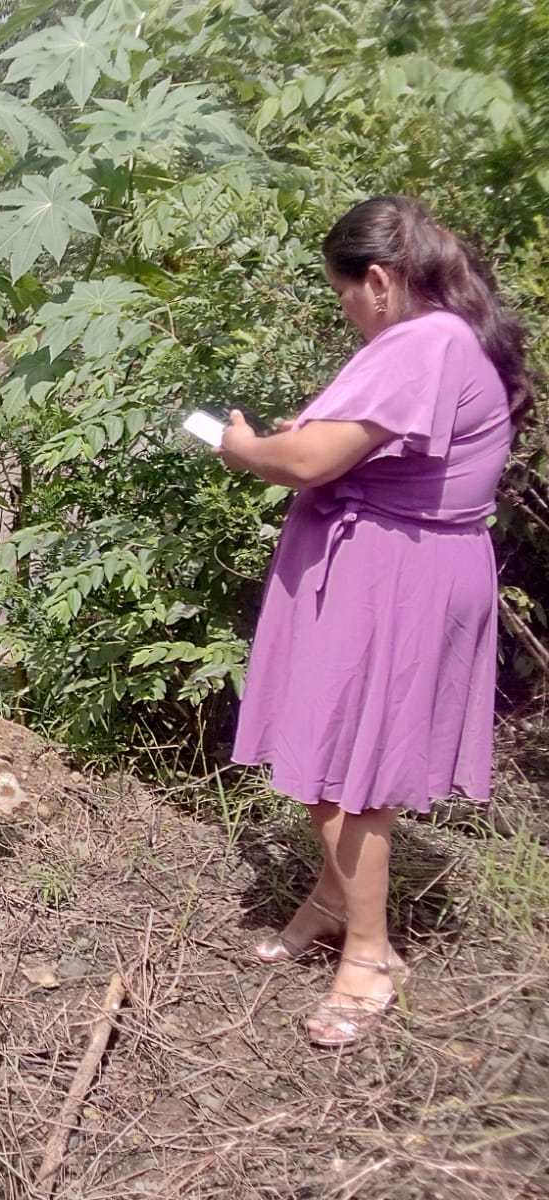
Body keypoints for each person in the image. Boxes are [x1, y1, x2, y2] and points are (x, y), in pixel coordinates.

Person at [217, 195, 532, 1048]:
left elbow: (307, 459)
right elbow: (366, 444)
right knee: (340, 757)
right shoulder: (451, 339)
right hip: (404, 564)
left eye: (344, 294)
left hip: (398, 575)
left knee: (345, 771)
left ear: (382, 281)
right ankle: (331, 902)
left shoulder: (424, 340)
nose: (347, 312)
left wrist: (244, 449)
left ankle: (368, 958)